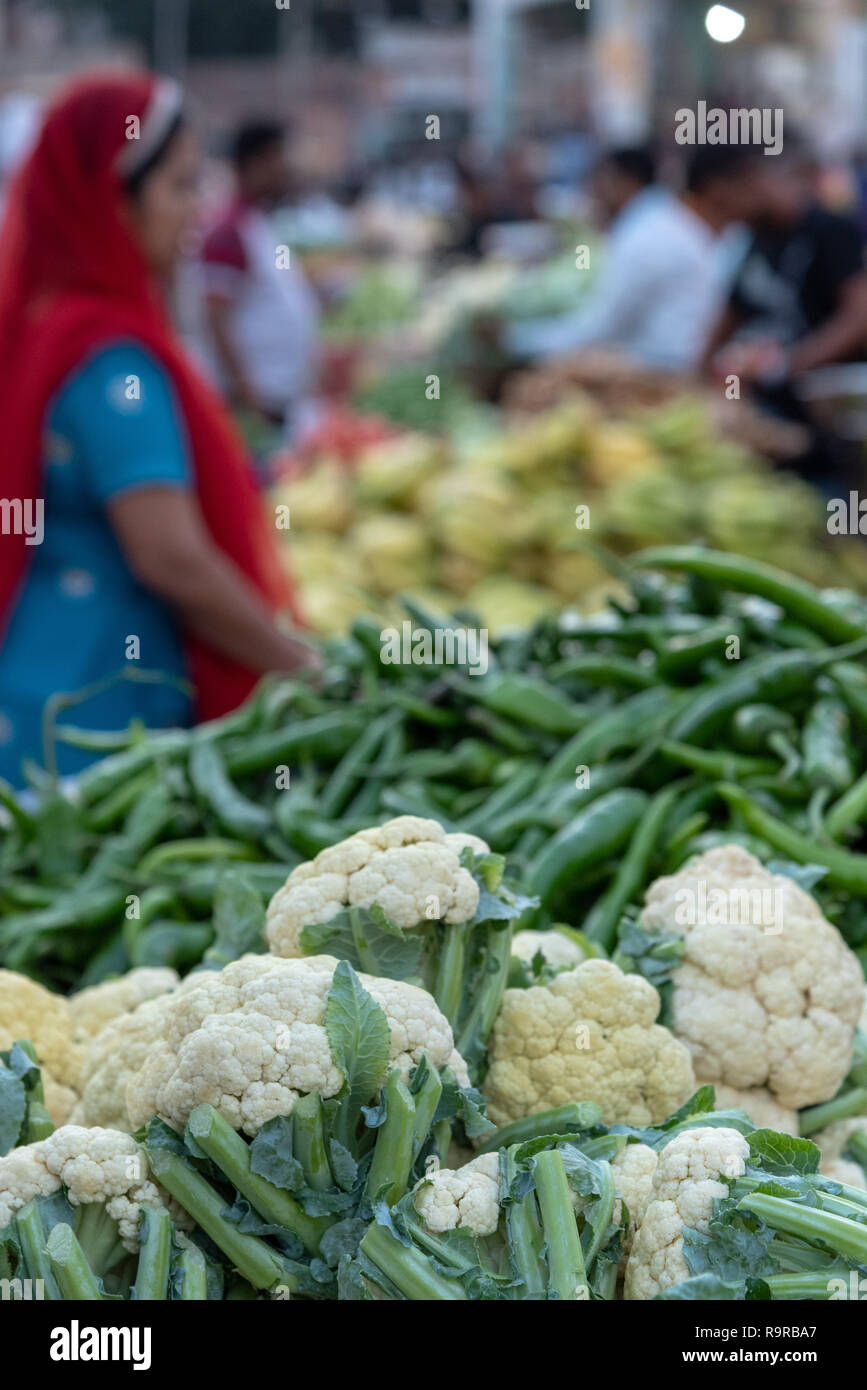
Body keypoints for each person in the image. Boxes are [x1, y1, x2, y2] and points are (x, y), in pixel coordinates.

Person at [0, 74, 318, 784]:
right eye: (178, 188)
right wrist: (301, 666)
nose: (197, 211)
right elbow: (170, 557)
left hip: (36, 680)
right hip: (92, 716)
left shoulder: (44, 325)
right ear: (112, 201)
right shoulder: (112, 362)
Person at [506, 145, 744, 374]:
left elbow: (598, 330)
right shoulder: (657, 225)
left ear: (622, 181)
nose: (593, 191)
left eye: (600, 180)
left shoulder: (647, 236)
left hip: (659, 379)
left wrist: (515, 339)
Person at [196, 119, 321, 441]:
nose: (286, 169)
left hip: (277, 398)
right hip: (256, 404)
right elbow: (215, 317)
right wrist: (246, 392)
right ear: (256, 163)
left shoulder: (255, 221)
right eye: (279, 158)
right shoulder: (228, 230)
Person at [704, 143, 867, 386]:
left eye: (724, 204)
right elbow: (731, 314)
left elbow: (859, 316)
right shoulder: (758, 239)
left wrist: (789, 365)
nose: (728, 216)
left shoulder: (827, 230)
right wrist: (701, 372)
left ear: (750, 179)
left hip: (823, 397)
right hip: (768, 399)